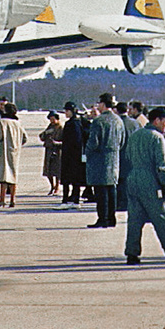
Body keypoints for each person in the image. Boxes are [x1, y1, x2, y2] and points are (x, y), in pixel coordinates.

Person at [123, 108, 165, 265]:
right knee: (163, 217)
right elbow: (162, 165)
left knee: (135, 219)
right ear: (156, 120)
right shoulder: (157, 138)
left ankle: (132, 253)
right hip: (150, 181)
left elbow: (127, 157)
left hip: (133, 179)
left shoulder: (135, 136)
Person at [85, 93, 124, 229]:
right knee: (112, 189)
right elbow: (122, 141)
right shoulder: (118, 120)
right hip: (114, 159)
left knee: (100, 191)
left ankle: (102, 218)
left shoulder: (99, 121)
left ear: (103, 104)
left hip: (99, 160)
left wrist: (87, 153)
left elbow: (93, 142)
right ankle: (111, 218)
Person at [0, 102, 27, 207]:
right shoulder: (18, 123)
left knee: (4, 177)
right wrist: (17, 144)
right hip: (15, 152)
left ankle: (2, 199)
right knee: (13, 176)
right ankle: (12, 199)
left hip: (3, 151)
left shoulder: (2, 122)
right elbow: (25, 138)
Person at [58, 102, 86, 207]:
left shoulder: (72, 124)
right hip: (76, 155)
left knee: (68, 179)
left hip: (71, 156)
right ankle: (75, 199)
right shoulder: (78, 122)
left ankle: (66, 200)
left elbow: (75, 140)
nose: (65, 113)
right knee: (75, 179)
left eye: (67, 111)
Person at [116, 101, 141, 211]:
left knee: (119, 180)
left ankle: (120, 202)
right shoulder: (135, 123)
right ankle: (128, 201)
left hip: (119, 154)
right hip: (132, 154)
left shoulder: (117, 123)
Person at [40, 111, 63, 196]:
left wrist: (56, 142)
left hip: (57, 151)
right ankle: (52, 186)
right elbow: (42, 137)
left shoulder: (60, 128)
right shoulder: (50, 127)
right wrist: (46, 133)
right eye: (50, 119)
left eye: (53, 119)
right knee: (48, 170)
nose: (52, 121)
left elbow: (64, 140)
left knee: (57, 170)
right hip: (49, 150)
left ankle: (57, 187)